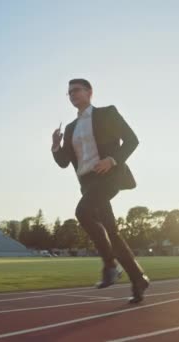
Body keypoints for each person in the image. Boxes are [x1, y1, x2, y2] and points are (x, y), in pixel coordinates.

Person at [51, 78, 150, 304]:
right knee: (112, 233)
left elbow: (132, 140)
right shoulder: (70, 128)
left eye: (76, 90)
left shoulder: (107, 113)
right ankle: (138, 279)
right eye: (69, 93)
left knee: (82, 212)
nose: (72, 95)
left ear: (89, 92)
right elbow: (64, 162)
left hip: (108, 175)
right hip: (87, 183)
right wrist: (56, 146)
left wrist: (112, 160)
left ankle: (110, 265)